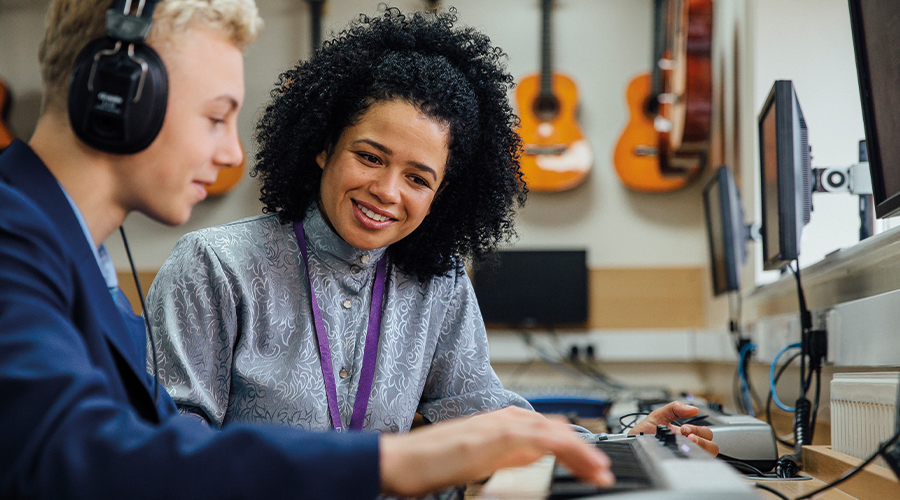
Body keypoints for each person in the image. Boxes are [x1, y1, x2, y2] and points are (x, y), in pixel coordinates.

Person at [0, 1, 628, 498]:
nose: (231, 155)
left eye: (418, 177)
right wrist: (390, 460)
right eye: (216, 117)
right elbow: (83, 456)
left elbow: (145, 445)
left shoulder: (76, 256)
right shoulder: (18, 240)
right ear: (117, 99)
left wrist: (617, 444)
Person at [144, 2, 717, 459]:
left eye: (418, 177)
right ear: (322, 146)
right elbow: (173, 442)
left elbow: (480, 409)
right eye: (369, 157)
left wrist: (621, 444)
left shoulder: (438, 281)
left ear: (443, 192)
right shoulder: (214, 266)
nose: (388, 192)